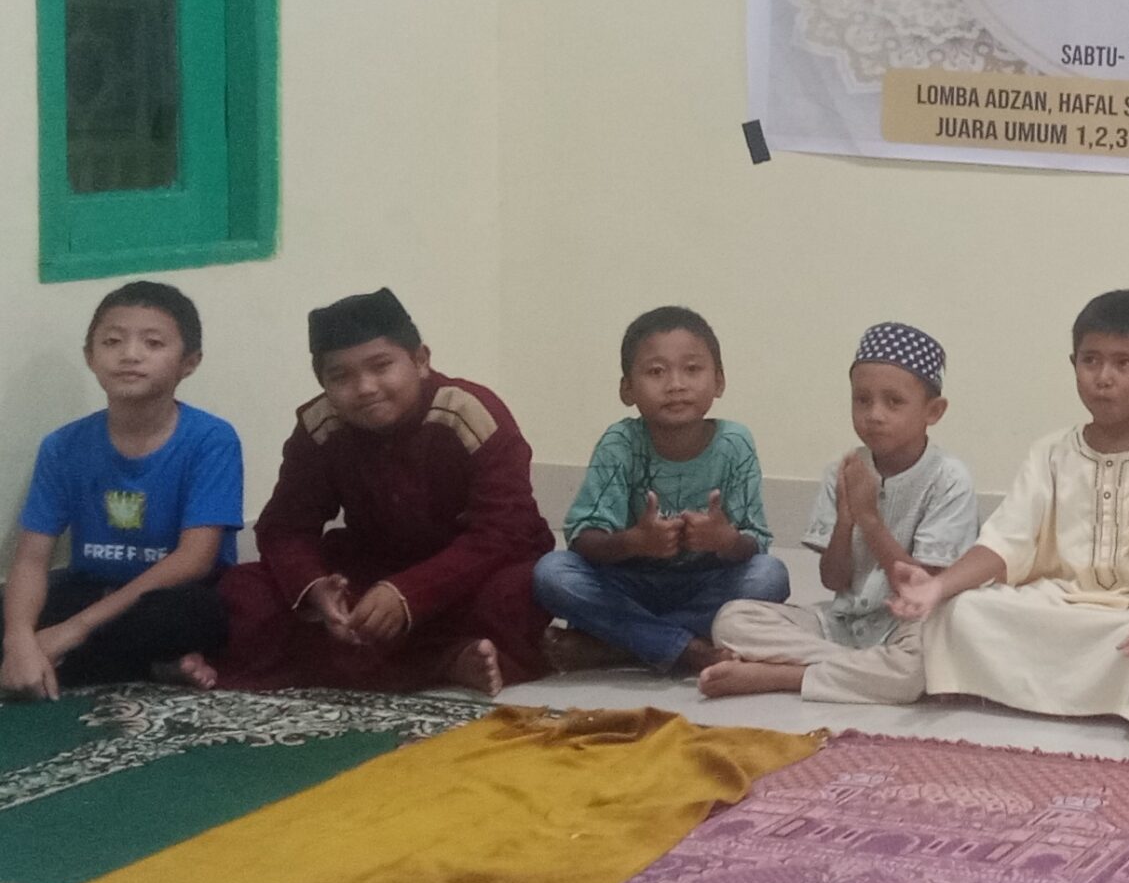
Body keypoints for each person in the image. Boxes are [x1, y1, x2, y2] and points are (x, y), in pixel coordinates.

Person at [891, 290, 1129, 732]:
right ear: (1073, 364)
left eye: (1124, 363)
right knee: (960, 610)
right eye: (1090, 361)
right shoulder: (1050, 452)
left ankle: (1045, 685)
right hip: (1055, 601)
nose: (1104, 378)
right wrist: (937, 587)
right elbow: (1006, 540)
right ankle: (1082, 692)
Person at [214, 289, 554, 694]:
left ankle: (414, 659)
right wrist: (317, 589)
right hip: (376, 564)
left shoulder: (470, 411)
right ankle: (446, 660)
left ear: (420, 360)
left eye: (381, 366)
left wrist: (410, 594)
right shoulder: (320, 424)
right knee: (245, 590)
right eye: (340, 377)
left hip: (471, 566)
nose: (364, 388)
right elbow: (284, 527)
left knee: (517, 593)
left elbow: (504, 531)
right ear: (323, 382)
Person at [701, 322, 977, 702]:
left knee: (921, 663)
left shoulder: (949, 479)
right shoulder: (844, 470)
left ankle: (783, 675)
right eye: (862, 400)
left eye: (893, 402)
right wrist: (845, 523)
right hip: (843, 624)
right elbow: (833, 579)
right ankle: (860, 670)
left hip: (907, 627)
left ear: (934, 411)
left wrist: (870, 520)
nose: (874, 414)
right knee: (732, 619)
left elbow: (919, 590)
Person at [4, 282, 239, 699]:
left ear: (189, 362)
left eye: (153, 343)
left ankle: (77, 661)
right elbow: (31, 559)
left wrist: (74, 630)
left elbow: (195, 559)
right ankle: (153, 666)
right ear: (90, 357)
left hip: (170, 596)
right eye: (112, 341)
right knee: (12, 615)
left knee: (189, 616)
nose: (130, 354)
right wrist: (19, 639)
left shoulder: (211, 440)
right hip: (92, 586)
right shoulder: (62, 445)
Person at [533, 307, 789, 676]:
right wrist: (634, 542)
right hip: (628, 583)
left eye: (692, 369)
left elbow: (755, 544)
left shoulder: (735, 443)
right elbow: (583, 540)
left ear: (719, 382)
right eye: (656, 372)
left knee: (770, 577)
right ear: (627, 389)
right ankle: (684, 647)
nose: (676, 385)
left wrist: (724, 540)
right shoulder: (620, 443)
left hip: (705, 583)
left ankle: (618, 647)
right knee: (552, 573)